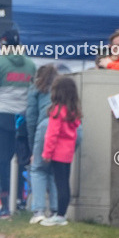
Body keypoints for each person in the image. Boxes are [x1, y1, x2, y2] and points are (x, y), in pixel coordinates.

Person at [0, 28, 35, 219]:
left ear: (4, 45)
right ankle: (20, 200)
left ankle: (4, 204)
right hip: (21, 116)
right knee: (20, 159)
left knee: (0, 159)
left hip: (1, 114)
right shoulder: (30, 64)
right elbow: (33, 90)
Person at [40, 76, 81, 226]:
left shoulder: (57, 111)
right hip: (68, 153)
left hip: (57, 153)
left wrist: (47, 153)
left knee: (60, 185)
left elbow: (51, 134)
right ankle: (62, 213)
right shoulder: (73, 112)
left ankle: (60, 215)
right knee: (65, 183)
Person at [25, 64, 58, 224]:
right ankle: (55, 211)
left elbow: (31, 118)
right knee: (54, 170)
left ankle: (38, 211)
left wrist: (33, 147)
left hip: (44, 126)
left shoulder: (35, 89)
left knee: (38, 169)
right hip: (62, 126)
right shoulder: (60, 87)